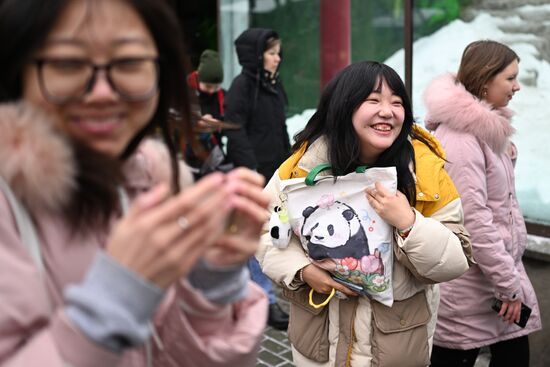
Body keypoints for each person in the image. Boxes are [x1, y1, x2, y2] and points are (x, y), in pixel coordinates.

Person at [0, 0, 270, 366]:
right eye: (67, 63)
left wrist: (214, 281)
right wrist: (111, 304)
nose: (102, 92)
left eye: (128, 63)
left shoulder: (156, 183)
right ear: (18, 68)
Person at [257, 60, 472, 366]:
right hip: (319, 345)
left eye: (397, 103)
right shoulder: (301, 166)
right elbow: (264, 229)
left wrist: (409, 223)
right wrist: (303, 271)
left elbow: (455, 260)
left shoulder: (426, 173)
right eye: (373, 100)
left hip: (394, 348)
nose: (388, 111)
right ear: (344, 107)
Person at [423, 40, 542, 367]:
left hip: (494, 283)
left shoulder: (485, 130)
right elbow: (473, 221)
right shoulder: (463, 140)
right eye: (510, 78)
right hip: (473, 289)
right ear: (485, 80)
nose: (517, 86)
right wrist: (508, 286)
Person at [224, 28, 291, 330]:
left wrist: (290, 162)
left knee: (275, 231)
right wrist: (251, 169)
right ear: (256, 55)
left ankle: (260, 291)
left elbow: (279, 128)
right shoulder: (241, 86)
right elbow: (234, 130)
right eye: (272, 53)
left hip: (277, 174)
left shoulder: (273, 86)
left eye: (278, 52)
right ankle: (266, 301)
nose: (278, 58)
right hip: (255, 176)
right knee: (253, 235)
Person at [185, 49, 233, 178]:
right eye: (207, 86)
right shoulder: (183, 94)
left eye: (215, 86)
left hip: (213, 158)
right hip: (186, 161)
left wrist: (220, 125)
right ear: (198, 78)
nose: (211, 91)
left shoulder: (223, 96)